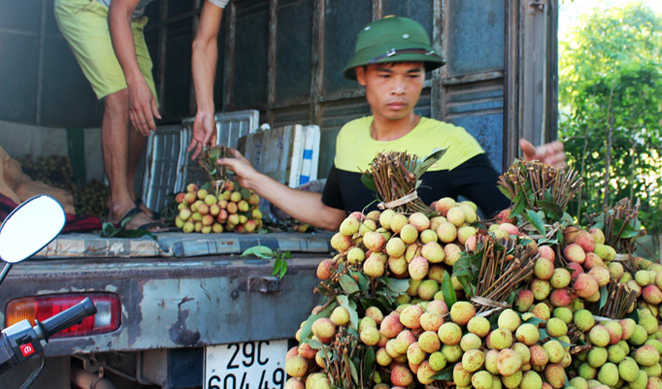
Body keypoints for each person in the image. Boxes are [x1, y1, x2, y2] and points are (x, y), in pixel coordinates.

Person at [54, 0, 276, 230]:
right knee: (122, 98)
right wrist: (134, 79)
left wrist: (206, 110)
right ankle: (119, 206)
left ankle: (125, 195)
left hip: (129, 17)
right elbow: (118, 10)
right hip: (85, 2)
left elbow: (205, 42)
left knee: (146, 108)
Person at [218, 16, 565, 231]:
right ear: (361, 76)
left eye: (412, 75)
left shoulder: (452, 143)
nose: (399, 88)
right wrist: (254, 180)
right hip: (364, 311)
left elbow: (505, 217)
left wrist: (531, 190)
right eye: (386, 75)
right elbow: (333, 216)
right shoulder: (350, 136)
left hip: (430, 319)